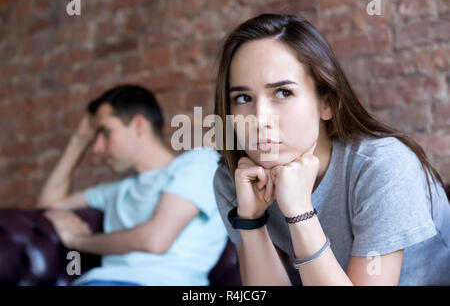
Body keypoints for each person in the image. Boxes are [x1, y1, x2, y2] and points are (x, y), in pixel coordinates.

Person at [212, 14, 450, 286]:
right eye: (243, 98)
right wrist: (251, 221)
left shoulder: (384, 166)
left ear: (326, 101)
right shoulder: (235, 179)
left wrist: (300, 211)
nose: (259, 118)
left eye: (283, 93)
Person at [37, 84, 228, 286]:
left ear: (139, 125)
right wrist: (78, 140)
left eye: (105, 132)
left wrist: (78, 241)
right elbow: (47, 207)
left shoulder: (200, 163)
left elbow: (156, 241)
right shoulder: (117, 191)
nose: (97, 148)